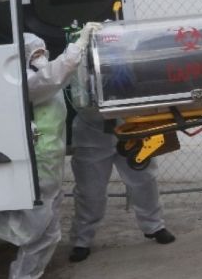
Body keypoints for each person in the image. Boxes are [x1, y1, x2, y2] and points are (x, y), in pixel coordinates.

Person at [0, 26, 94, 279]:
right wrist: (78, 45)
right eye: (34, 52)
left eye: (42, 50)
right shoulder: (24, 80)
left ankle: (25, 275)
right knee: (39, 229)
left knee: (48, 232)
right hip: (38, 162)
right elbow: (54, 76)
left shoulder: (41, 76)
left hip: (50, 161)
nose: (40, 55)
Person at [69, 107, 175, 262]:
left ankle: (154, 226)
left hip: (133, 125)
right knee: (90, 190)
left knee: (144, 179)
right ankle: (82, 239)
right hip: (91, 132)